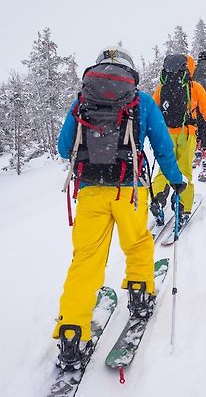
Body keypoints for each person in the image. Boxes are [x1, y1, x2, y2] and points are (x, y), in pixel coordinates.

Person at [54, 46, 186, 370]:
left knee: (85, 261)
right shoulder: (139, 100)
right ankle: (140, 297)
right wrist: (175, 179)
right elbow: (162, 145)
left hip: (89, 192)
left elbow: (62, 147)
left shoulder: (83, 99)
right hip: (129, 191)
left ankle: (72, 334)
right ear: (130, 71)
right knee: (138, 243)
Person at [150, 54, 206, 225]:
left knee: (164, 170)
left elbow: (152, 110)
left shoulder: (161, 88)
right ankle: (183, 207)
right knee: (184, 170)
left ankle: (158, 198)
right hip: (187, 134)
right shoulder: (194, 87)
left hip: (166, 134)